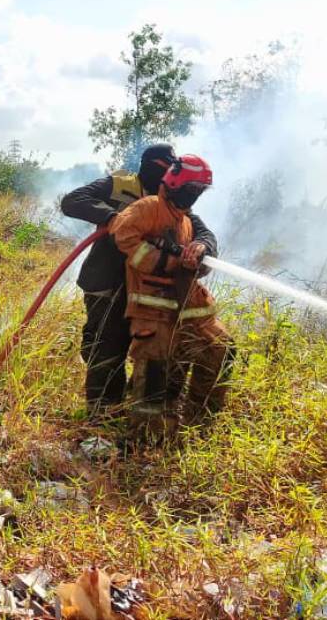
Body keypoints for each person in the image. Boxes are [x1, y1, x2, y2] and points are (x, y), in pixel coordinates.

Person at [60, 144, 218, 420]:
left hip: (148, 291)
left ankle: (137, 404)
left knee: (151, 349)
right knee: (106, 347)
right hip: (107, 282)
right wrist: (115, 217)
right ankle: (102, 416)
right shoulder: (120, 185)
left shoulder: (172, 203)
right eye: (160, 168)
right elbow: (73, 201)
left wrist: (202, 246)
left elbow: (204, 234)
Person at [109, 154, 234, 439]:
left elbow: (202, 257)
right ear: (174, 181)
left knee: (221, 350)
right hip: (153, 311)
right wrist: (167, 260)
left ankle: (198, 425)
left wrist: (198, 254)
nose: (194, 195)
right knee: (154, 375)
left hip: (190, 309)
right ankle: (144, 438)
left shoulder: (186, 220)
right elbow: (122, 234)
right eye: (192, 188)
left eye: (199, 191)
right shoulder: (149, 207)